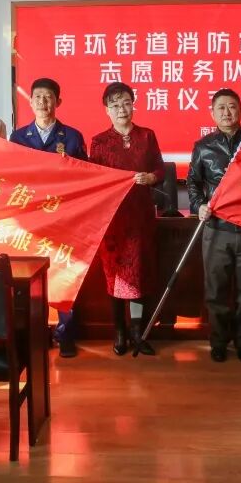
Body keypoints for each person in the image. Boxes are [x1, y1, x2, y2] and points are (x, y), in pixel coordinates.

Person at [9, 77, 87, 358]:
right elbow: (12, 177)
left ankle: (66, 334)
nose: (43, 102)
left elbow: (86, 176)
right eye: (38, 97)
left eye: (48, 97)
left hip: (64, 216)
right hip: (29, 218)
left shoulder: (73, 137)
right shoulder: (18, 137)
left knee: (65, 273)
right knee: (30, 275)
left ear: (58, 101)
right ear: (30, 102)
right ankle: (35, 333)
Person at [187, 88, 241, 363]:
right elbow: (193, 183)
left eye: (232, 107)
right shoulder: (203, 146)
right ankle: (218, 341)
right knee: (216, 290)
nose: (227, 112)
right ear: (212, 113)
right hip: (216, 229)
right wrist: (199, 205)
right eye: (221, 107)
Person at [89, 82, 165, 356]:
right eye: (115, 105)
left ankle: (138, 332)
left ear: (133, 105)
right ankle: (119, 331)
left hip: (140, 217)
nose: (121, 109)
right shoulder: (99, 141)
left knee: (140, 275)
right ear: (106, 110)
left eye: (126, 103)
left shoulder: (147, 136)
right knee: (115, 276)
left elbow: (160, 169)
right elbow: (94, 178)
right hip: (113, 221)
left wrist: (151, 177)